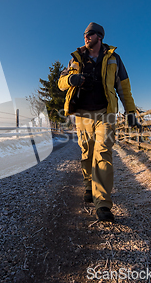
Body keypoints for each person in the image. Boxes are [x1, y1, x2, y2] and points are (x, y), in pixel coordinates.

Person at [58, 22, 139, 222]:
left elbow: (124, 88)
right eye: (85, 34)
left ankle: (102, 203)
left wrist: (130, 111)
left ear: (100, 37)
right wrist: (71, 80)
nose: (87, 36)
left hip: (106, 113)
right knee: (87, 151)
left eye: (91, 34)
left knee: (103, 152)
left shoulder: (114, 59)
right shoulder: (75, 59)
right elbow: (60, 83)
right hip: (83, 114)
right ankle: (88, 185)